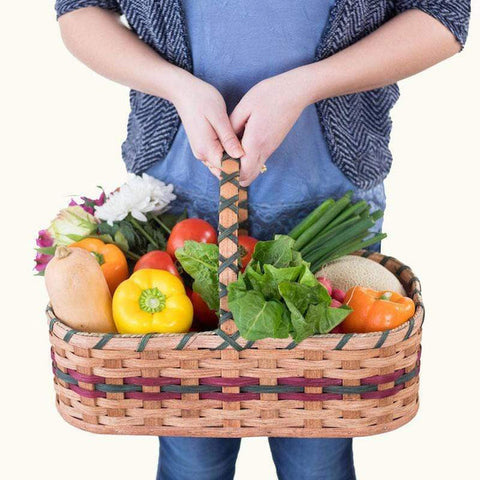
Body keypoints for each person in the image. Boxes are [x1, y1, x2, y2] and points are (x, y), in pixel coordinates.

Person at [54, 1, 470, 479]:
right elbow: (79, 11)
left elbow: (444, 16)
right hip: (176, 209)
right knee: (192, 448)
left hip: (329, 209)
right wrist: (175, 86)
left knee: (317, 448)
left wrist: (306, 85)